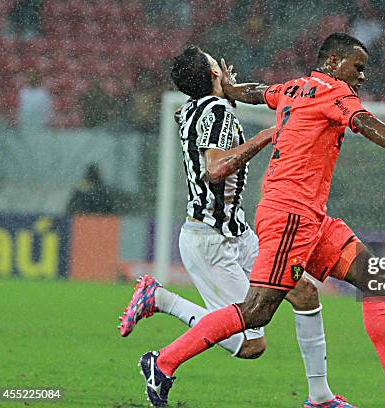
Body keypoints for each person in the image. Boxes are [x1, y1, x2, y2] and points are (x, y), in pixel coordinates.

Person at [138, 33, 385, 407]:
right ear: (333, 63)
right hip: (290, 215)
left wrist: (232, 88)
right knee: (256, 311)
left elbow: (258, 92)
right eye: (359, 67)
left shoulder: (296, 88)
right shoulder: (335, 91)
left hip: (311, 216)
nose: (362, 76)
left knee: (373, 274)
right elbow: (363, 121)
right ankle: (164, 362)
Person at [121, 46, 355, 408]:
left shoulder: (195, 108)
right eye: (215, 61)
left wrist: (228, 91)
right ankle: (162, 313)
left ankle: (320, 397)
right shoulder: (213, 110)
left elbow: (193, 121)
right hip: (210, 241)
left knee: (305, 292)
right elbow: (215, 168)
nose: (221, 63)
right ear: (213, 74)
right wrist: (267, 136)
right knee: (251, 343)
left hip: (238, 232)